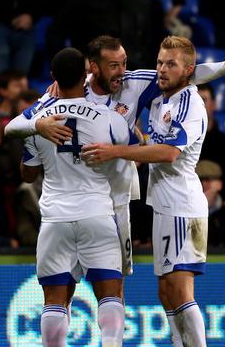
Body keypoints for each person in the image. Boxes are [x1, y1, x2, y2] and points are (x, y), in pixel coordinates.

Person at [6, 35, 225, 278]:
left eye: (124, 62)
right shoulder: (69, 88)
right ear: (93, 67)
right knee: (69, 277)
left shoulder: (135, 83)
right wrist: (39, 124)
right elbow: (17, 124)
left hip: (118, 193)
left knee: (115, 276)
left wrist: (224, 68)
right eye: (114, 65)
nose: (122, 71)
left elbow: (183, 73)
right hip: (77, 194)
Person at [81, 36, 209, 347]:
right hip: (164, 204)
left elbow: (168, 153)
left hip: (183, 204)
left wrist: (116, 151)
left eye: (171, 65)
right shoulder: (162, 101)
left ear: (189, 69)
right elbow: (151, 143)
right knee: (166, 291)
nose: (163, 70)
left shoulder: (190, 103)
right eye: (160, 63)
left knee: (180, 290)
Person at [20, 47, 130, 346]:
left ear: (52, 77)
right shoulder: (109, 118)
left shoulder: (37, 121)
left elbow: (28, 174)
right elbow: (133, 151)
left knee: (55, 299)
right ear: (86, 76)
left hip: (55, 218)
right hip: (97, 213)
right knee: (110, 293)